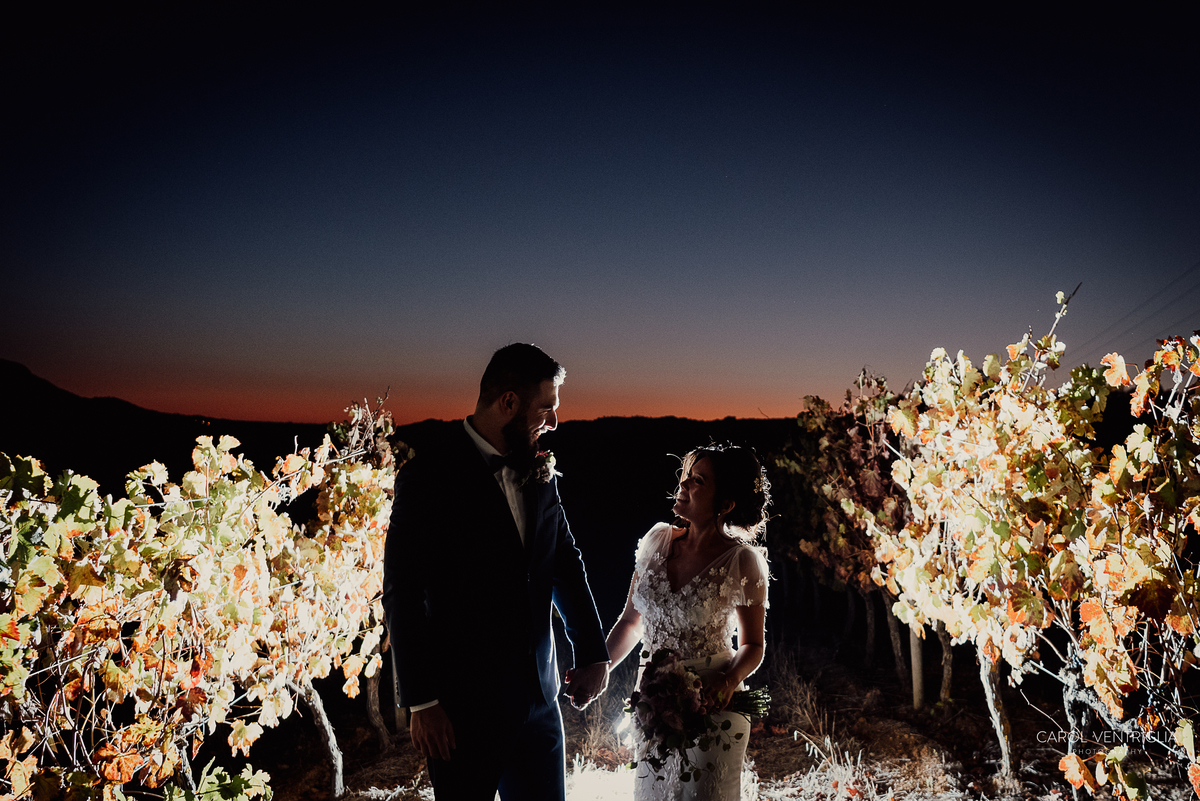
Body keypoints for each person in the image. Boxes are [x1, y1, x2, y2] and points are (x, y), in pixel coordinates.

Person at [382, 343, 610, 801]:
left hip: (541, 701)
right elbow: (401, 592)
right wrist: (422, 701)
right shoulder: (428, 478)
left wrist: (591, 651)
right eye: (546, 408)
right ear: (508, 402)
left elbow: (564, 563)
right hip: (461, 710)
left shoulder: (540, 470)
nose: (554, 421)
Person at [605, 445, 771, 801]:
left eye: (698, 481)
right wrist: (599, 667)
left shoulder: (742, 562)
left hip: (713, 706)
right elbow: (631, 622)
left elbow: (753, 645)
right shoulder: (656, 542)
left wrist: (729, 681)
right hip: (652, 704)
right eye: (686, 476)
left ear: (725, 504)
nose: (683, 485)